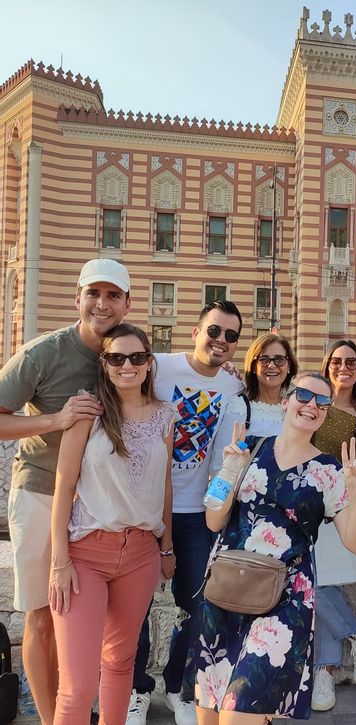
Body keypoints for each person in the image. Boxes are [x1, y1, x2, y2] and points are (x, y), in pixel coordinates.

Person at [188, 372, 356, 722]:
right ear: (286, 400)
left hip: (286, 601)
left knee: (237, 716)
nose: (312, 405)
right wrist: (230, 469)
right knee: (209, 715)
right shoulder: (250, 446)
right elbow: (213, 519)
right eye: (303, 394)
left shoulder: (329, 471)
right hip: (228, 590)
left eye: (323, 401)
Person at [0, 258, 131, 725]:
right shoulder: (43, 353)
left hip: (99, 504)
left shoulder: (128, 350)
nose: (102, 303)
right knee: (40, 614)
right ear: (77, 299)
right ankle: (52, 714)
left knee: (82, 620)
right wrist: (55, 420)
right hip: (39, 490)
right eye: (93, 293)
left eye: (113, 295)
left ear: (126, 303)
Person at [48, 324, 174, 724]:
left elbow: (164, 485)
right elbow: (63, 485)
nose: (127, 366)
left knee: (120, 664)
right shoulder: (87, 411)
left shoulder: (165, 416)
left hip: (140, 554)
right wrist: (59, 560)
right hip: (85, 553)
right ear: (104, 363)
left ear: (149, 363)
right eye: (116, 357)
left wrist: (166, 547)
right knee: (78, 685)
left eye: (136, 357)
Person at [128, 301, 243, 725]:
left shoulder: (232, 387)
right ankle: (136, 690)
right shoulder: (157, 366)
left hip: (196, 515)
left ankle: (177, 686)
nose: (221, 341)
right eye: (214, 331)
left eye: (231, 336)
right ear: (195, 330)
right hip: (143, 508)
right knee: (135, 607)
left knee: (195, 609)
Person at [310, 340, 356, 711]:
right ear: (327, 365)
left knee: (320, 585)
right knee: (313, 583)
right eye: (336, 361)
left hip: (338, 508)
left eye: (351, 361)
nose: (343, 367)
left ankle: (324, 673)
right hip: (306, 507)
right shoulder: (312, 402)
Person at [209, 332, 298, 478]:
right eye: (263, 360)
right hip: (244, 498)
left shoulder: (295, 408)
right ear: (254, 366)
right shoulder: (238, 407)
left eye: (279, 360)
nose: (272, 365)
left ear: (289, 366)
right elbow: (220, 467)